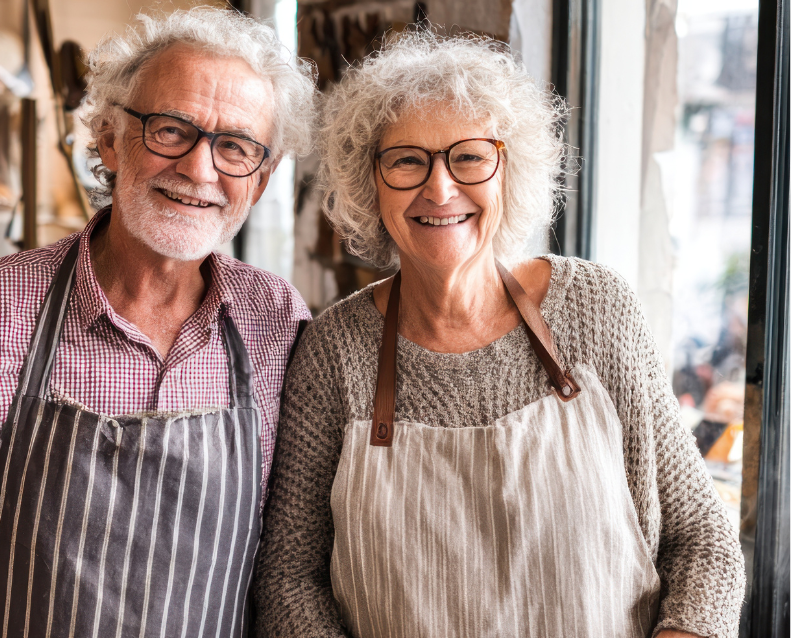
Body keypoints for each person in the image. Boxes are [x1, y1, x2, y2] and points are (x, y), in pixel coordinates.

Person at [0, 7, 316, 636]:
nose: (198, 168)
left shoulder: (277, 320)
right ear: (108, 139)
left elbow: (286, 570)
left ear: (261, 181)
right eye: (170, 129)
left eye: (235, 147)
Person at [253, 31, 744, 638]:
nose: (439, 188)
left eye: (469, 156)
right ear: (369, 182)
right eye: (407, 159)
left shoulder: (596, 310)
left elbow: (701, 534)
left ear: (508, 169)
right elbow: (288, 576)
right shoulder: (334, 352)